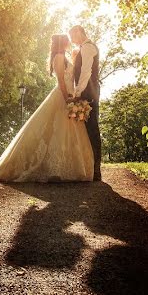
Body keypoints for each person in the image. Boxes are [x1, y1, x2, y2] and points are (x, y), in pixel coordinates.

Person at [0, 34, 93, 182]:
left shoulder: (64, 56)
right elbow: (61, 81)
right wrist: (67, 100)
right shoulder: (58, 57)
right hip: (62, 96)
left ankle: (68, 166)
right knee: (56, 130)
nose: (70, 42)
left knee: (65, 131)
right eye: (67, 40)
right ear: (63, 43)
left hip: (70, 95)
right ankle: (53, 167)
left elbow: (71, 76)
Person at [68, 25, 102, 181]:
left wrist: (78, 92)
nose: (72, 41)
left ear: (78, 32)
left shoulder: (88, 47)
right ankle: (89, 167)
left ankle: (96, 170)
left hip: (89, 92)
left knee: (92, 128)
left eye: (73, 37)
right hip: (88, 90)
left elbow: (86, 71)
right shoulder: (84, 48)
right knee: (86, 128)